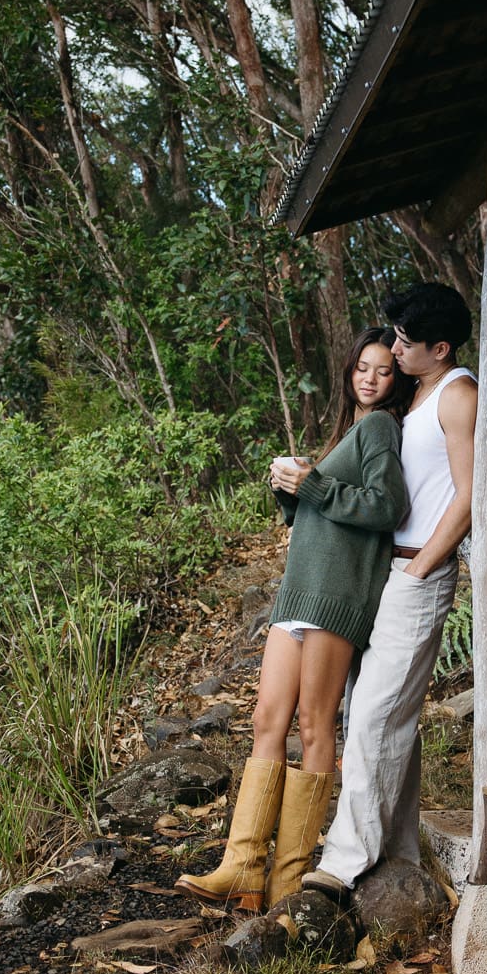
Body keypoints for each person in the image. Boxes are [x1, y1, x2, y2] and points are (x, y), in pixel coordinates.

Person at [179, 328, 410, 912]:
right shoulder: (352, 430)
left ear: (397, 378)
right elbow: (324, 506)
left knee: (313, 727)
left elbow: (388, 507)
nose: (370, 379)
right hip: (299, 594)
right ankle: (243, 867)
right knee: (266, 720)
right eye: (362, 367)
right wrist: (294, 488)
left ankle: (287, 878)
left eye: (383, 370)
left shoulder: (381, 428)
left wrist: (316, 485)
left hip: (337, 596)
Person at [304, 282, 476, 901]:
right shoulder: (420, 394)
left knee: (376, 714)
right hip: (386, 570)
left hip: (415, 575)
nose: (395, 349)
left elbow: (473, 494)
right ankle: (399, 853)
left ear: (440, 347)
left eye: (406, 342)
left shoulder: (459, 397)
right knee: (379, 711)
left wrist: (422, 565)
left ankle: (343, 863)